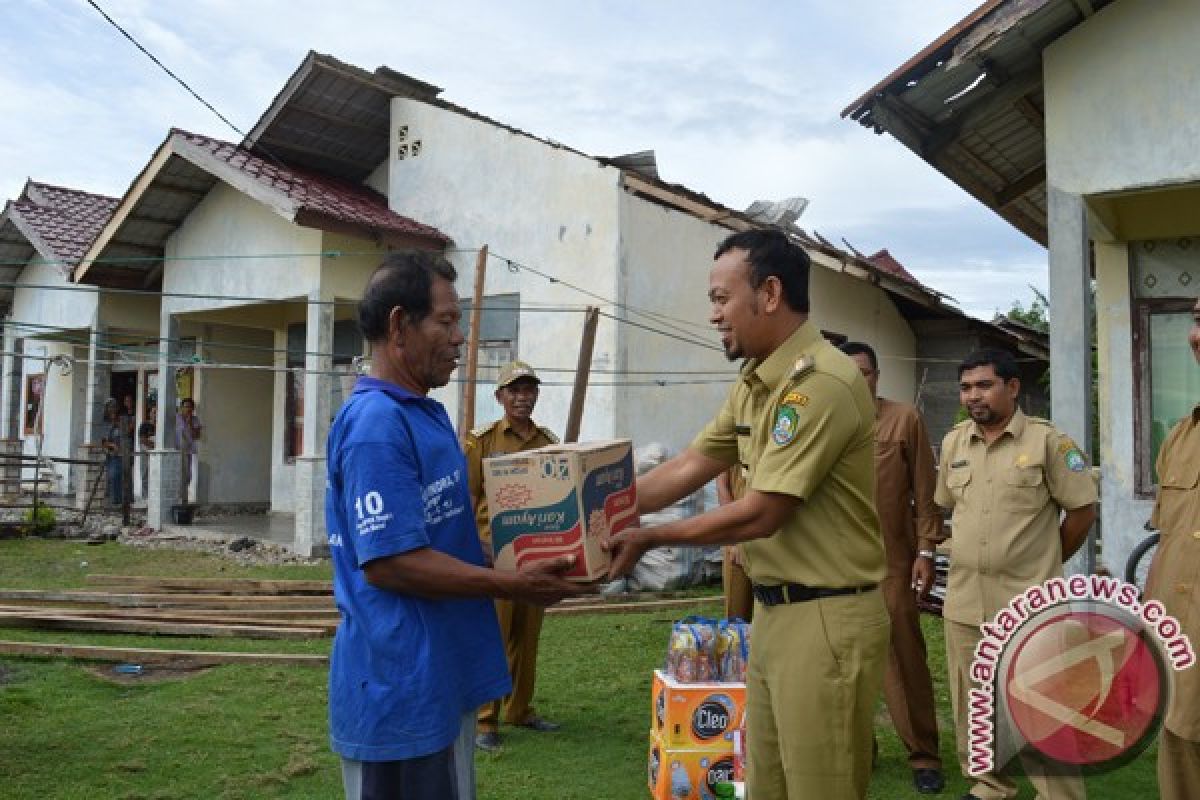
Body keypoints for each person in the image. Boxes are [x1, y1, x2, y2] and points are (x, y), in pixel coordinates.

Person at [606, 229, 889, 799]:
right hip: (776, 615)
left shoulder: (821, 384)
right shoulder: (757, 382)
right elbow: (691, 464)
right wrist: (597, 508)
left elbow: (763, 513)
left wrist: (648, 537)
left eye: (719, 298)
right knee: (764, 787)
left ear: (770, 293)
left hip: (826, 618)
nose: (713, 314)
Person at [325, 251, 586, 800]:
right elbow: (391, 562)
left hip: (442, 674)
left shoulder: (426, 412)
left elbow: (445, 535)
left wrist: (519, 556)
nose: (460, 336)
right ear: (400, 325)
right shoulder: (376, 425)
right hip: (399, 689)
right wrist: (513, 584)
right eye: (446, 321)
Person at [934, 349, 1096, 800]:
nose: (973, 396)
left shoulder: (1049, 443)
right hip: (965, 600)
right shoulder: (953, 444)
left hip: (1029, 604)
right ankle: (991, 785)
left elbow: (1081, 512)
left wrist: (1044, 561)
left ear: (1012, 387)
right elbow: (948, 506)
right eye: (966, 387)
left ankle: (1060, 794)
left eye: (984, 385)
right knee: (974, 704)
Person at [840, 341, 945, 794]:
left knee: (904, 660)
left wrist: (926, 552)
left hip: (892, 565)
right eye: (844, 374)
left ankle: (924, 755)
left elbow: (927, 493)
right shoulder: (824, 424)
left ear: (877, 375)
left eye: (861, 372)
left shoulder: (903, 420)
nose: (854, 381)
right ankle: (857, 751)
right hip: (832, 570)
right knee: (841, 667)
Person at [464, 361, 562, 752]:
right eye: (515, 390)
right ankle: (485, 721)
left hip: (536, 554)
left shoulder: (548, 442)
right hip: (496, 555)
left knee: (528, 633)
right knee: (495, 634)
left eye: (529, 390)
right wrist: (473, 550)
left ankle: (519, 709)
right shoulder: (481, 442)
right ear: (500, 396)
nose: (523, 397)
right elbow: (469, 500)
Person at [1145, 297, 1200, 800]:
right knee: (1179, 750)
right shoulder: (1181, 436)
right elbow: (1165, 541)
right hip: (1182, 640)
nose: (1198, 333)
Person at [716, 465, 754, 622]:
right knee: (736, 617)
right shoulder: (735, 441)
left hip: (770, 534)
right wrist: (734, 540)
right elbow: (722, 486)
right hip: (736, 536)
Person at [175, 398, 202, 503]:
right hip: (176, 451)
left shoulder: (195, 420)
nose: (188, 409)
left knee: (187, 475)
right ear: (181, 408)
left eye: (190, 407)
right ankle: (178, 498)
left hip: (188, 451)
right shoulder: (176, 418)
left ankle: (184, 497)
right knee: (178, 474)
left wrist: (190, 423)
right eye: (186, 406)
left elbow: (197, 436)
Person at [99, 398, 122, 507]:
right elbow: (103, 442)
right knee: (112, 476)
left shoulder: (120, 421)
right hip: (112, 455)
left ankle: (120, 502)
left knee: (121, 477)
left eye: (114, 406)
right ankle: (113, 502)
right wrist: (113, 446)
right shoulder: (105, 423)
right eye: (110, 407)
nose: (112, 409)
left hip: (123, 454)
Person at [138, 405, 156, 501]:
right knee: (145, 474)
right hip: (145, 453)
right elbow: (142, 440)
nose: (155, 414)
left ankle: (154, 496)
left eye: (157, 412)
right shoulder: (145, 425)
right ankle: (146, 498)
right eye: (153, 412)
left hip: (156, 455)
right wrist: (155, 445)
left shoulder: (161, 426)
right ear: (150, 414)